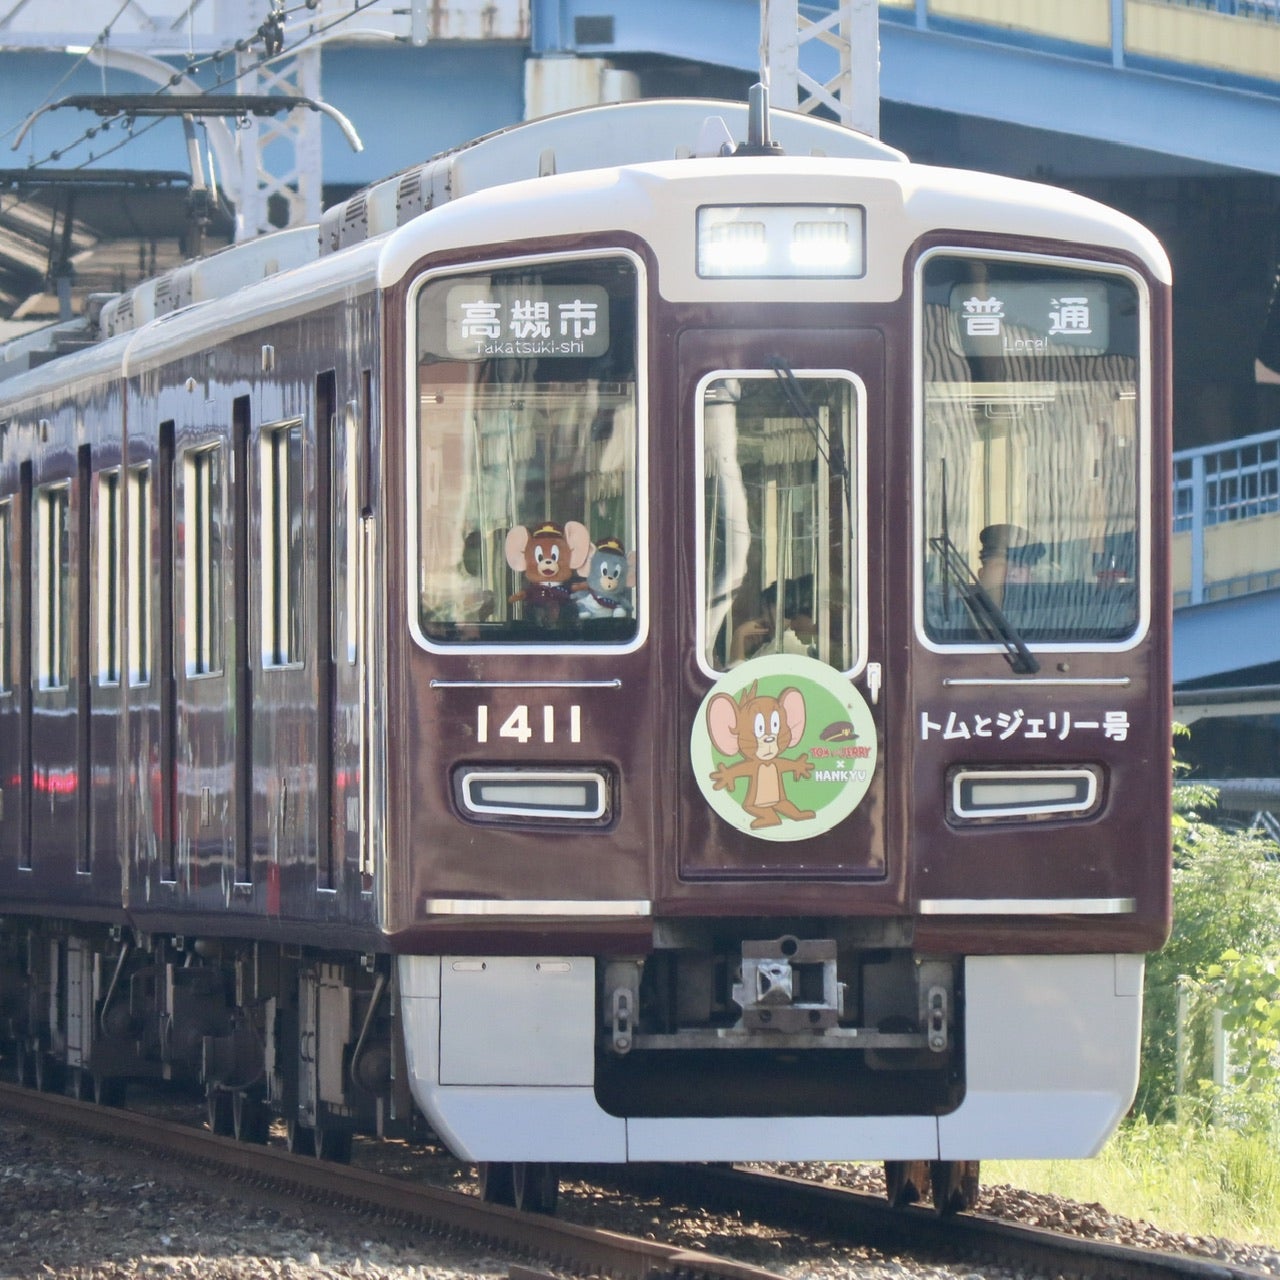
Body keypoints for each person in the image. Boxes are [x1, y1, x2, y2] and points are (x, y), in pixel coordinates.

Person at [729, 574, 816, 663]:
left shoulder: (785, 643)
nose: (765, 619)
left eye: (769, 614)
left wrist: (739, 635)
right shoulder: (771, 644)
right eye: (762, 613)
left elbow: (741, 674)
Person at [977, 523, 1045, 605]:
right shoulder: (960, 611)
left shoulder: (1048, 611)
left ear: (1031, 578)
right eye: (1000, 564)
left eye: (1019, 566)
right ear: (982, 574)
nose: (1011, 573)